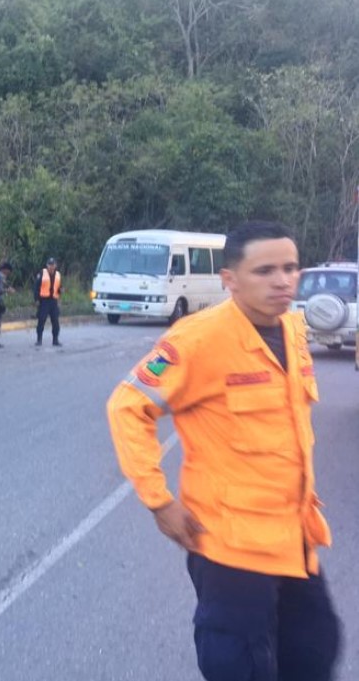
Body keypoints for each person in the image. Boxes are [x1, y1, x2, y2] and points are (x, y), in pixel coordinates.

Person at [106, 221, 340, 681]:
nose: (282, 280)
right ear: (229, 278)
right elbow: (127, 406)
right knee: (240, 664)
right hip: (231, 545)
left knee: (313, 649)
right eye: (265, 270)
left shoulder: (293, 330)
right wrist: (158, 500)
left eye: (291, 268)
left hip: (294, 536)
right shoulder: (196, 340)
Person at [34, 257, 62, 347]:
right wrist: (36, 299)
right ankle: (39, 340)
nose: (51, 267)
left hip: (53, 301)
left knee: (55, 321)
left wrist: (61, 290)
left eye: (53, 265)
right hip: (44, 301)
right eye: (50, 265)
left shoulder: (58, 274)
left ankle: (55, 340)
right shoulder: (42, 273)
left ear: (55, 265)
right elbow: (36, 288)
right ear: (47, 265)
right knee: (41, 320)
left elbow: (59, 287)